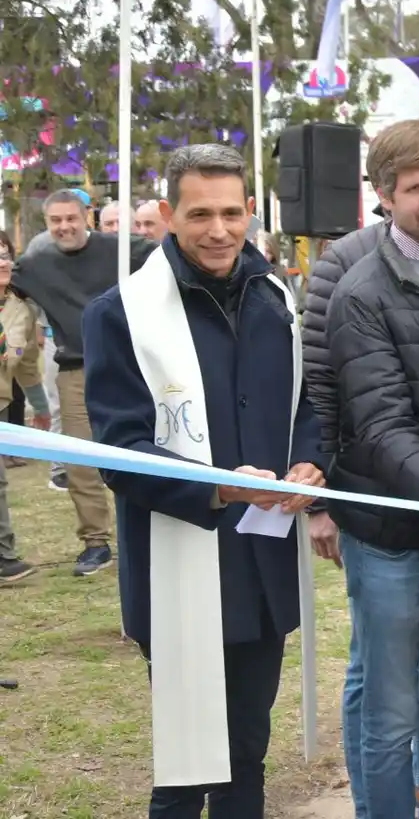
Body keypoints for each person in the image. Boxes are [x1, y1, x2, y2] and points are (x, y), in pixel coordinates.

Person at [81, 144, 326, 816]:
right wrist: (216, 485)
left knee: (248, 748)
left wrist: (311, 460)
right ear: (167, 215)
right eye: (199, 214)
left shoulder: (278, 298)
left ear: (251, 210)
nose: (218, 230)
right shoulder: (121, 312)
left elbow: (306, 404)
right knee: (188, 765)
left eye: (230, 212)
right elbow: (120, 450)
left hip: (263, 560)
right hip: (181, 561)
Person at [300, 109, 419, 819]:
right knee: (389, 708)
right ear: (383, 194)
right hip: (388, 524)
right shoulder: (356, 285)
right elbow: (368, 422)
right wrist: (321, 503)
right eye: (416, 188)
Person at [12, 188, 154, 575]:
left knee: (142, 450)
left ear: (86, 217)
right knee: (80, 459)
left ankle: (150, 529)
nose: (64, 226)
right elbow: (10, 285)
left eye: (70, 218)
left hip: (130, 366)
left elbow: (171, 260)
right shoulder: (35, 265)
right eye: (55, 220)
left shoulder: (124, 250)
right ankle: (96, 543)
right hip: (75, 370)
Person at [0, 231, 50, 583]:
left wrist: (40, 406)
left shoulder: (20, 309)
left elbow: (25, 361)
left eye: (5, 254)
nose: (3, 262)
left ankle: (3, 557)